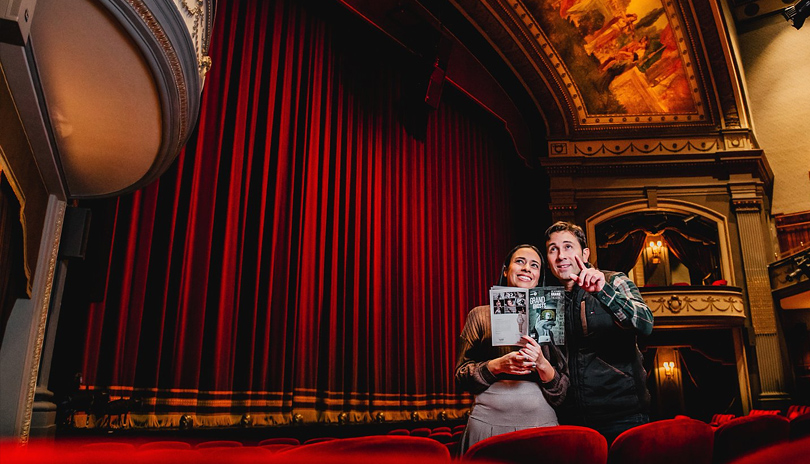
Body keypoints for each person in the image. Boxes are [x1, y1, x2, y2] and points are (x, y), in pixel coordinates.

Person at [544, 221, 653, 445]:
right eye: (553, 249)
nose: (560, 256)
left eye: (567, 247)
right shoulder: (546, 300)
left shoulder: (613, 280)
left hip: (622, 417)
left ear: (585, 253)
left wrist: (604, 292)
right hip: (569, 420)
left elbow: (645, 323)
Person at [455, 244, 569, 454]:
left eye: (534, 265)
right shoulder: (479, 315)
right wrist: (496, 365)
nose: (527, 268)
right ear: (506, 270)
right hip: (486, 424)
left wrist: (542, 364)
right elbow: (461, 376)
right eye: (520, 262)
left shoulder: (553, 317)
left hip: (541, 424)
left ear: (538, 277)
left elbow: (563, 390)